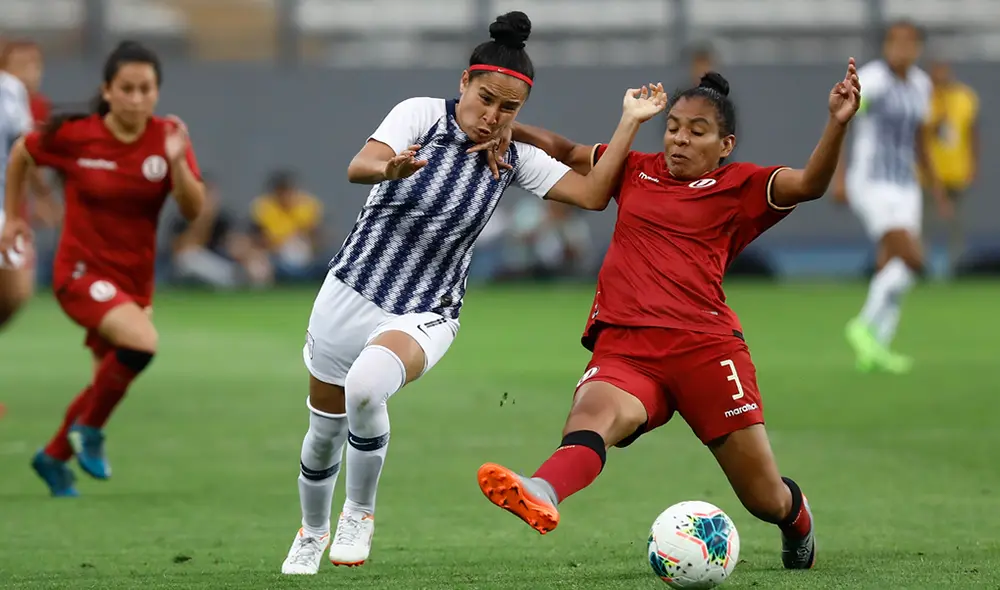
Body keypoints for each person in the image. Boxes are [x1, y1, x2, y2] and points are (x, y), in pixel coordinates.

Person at [281, 10, 667, 575]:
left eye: (508, 108)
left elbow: (591, 195)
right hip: (350, 291)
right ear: (464, 83)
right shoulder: (420, 115)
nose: (492, 116)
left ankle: (358, 514)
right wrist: (391, 169)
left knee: (366, 387)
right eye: (485, 99)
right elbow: (359, 165)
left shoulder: (511, 157)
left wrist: (629, 121)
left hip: (427, 309)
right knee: (323, 435)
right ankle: (311, 531)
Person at [473, 61, 862, 573]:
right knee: (590, 419)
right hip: (628, 347)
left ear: (725, 144)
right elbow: (565, 151)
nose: (679, 139)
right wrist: (506, 127)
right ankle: (542, 488)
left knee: (764, 498)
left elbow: (810, 184)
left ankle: (797, 520)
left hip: (706, 352)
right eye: (674, 127)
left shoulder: (742, 185)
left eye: (697, 132)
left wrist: (837, 122)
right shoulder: (636, 169)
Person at [1, 40, 205, 497]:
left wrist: (176, 161)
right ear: (108, 90)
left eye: (145, 89)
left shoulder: (168, 138)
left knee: (105, 382)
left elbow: (193, 209)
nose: (136, 98)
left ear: (157, 92)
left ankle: (54, 455)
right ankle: (89, 432)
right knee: (143, 343)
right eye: (126, 88)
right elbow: (22, 152)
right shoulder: (77, 136)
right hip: (80, 274)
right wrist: (14, 217)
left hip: (133, 283)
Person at [834, 20, 938, 373]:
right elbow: (842, 121)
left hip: (907, 185)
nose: (903, 49)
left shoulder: (922, 85)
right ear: (886, 46)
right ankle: (862, 326)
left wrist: (934, 183)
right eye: (896, 42)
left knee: (893, 265)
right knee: (913, 258)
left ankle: (877, 346)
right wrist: (839, 176)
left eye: (910, 42)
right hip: (872, 182)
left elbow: (920, 137)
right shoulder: (873, 80)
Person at [0, 39, 58, 329]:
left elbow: (27, 148)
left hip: (5, 205)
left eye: (35, 65)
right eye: (23, 64)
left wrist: (43, 195)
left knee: (16, 291)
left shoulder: (16, 94)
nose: (30, 72)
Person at [924, 59, 979, 276]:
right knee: (923, 223)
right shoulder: (924, 96)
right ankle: (920, 265)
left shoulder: (965, 97)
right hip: (928, 174)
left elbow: (973, 134)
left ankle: (957, 266)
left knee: (956, 224)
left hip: (956, 171)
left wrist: (973, 165)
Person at [250, 170, 326, 282]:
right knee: (259, 267)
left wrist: (306, 243)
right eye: (281, 191)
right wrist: (279, 246)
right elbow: (257, 238)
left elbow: (319, 236)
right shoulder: (263, 208)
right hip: (275, 257)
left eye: (288, 191)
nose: (286, 196)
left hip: (307, 257)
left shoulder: (307, 205)